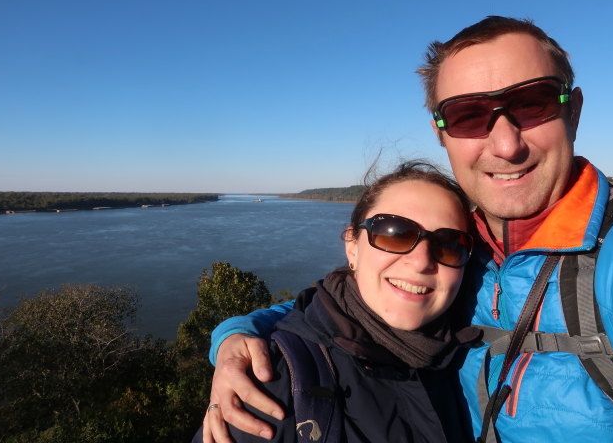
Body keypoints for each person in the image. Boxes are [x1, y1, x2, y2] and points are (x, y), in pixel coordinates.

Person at [203, 16, 613, 443]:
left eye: (533, 103)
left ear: (573, 111)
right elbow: (335, 308)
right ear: (441, 134)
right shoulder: (468, 249)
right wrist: (236, 335)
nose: (507, 145)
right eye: (467, 114)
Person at [194, 161, 481, 442]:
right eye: (394, 233)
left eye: (450, 245)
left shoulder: (461, 351)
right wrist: (232, 333)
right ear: (352, 247)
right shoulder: (273, 384)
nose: (421, 262)